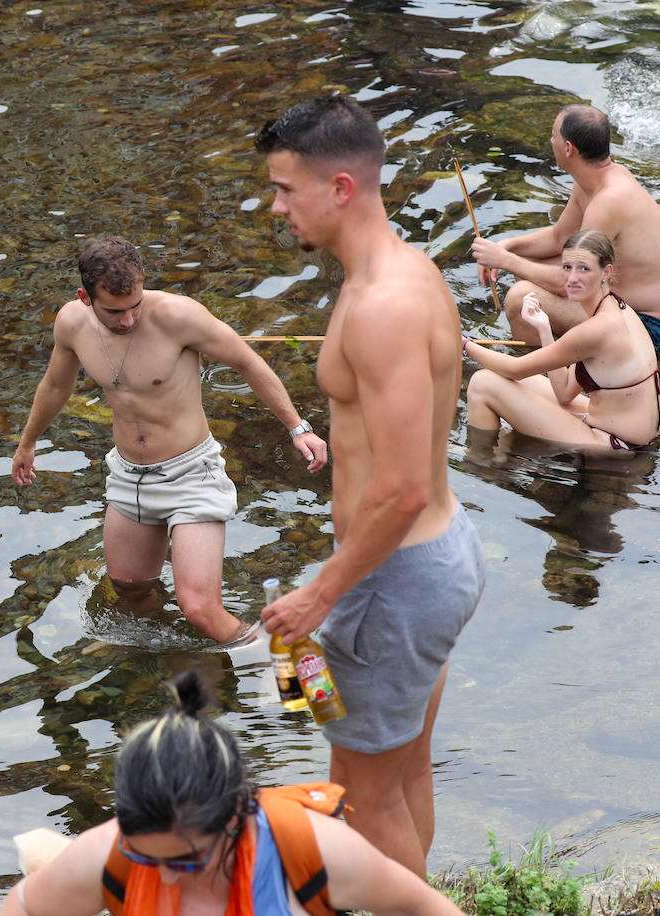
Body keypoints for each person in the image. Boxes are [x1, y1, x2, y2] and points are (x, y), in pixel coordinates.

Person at [255, 95, 485, 877]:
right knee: (402, 770)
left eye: (286, 189)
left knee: (359, 795)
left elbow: (402, 488)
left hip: (393, 580)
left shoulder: (382, 305)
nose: (276, 205)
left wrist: (321, 593)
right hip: (429, 565)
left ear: (341, 188)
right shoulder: (403, 270)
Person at [11, 236, 328, 645]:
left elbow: (247, 362)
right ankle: (178, 660)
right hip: (128, 476)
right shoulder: (72, 323)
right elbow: (56, 385)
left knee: (200, 610)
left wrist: (298, 428)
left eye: (134, 306)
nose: (127, 320)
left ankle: (278, 663)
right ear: (85, 298)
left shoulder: (179, 317)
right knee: (128, 586)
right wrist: (27, 443)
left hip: (191, 475)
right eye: (114, 311)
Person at [0, 671, 466, 916]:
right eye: (145, 859)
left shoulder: (309, 851)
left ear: (234, 816)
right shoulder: (109, 856)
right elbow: (23, 906)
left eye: (184, 860)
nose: (164, 880)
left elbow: (419, 907)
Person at [469, 103, 660, 349]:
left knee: (519, 298)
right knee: (530, 270)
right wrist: (506, 247)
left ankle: (539, 375)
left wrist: (506, 261)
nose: (551, 140)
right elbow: (559, 238)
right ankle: (565, 354)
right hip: (621, 302)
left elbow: (567, 281)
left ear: (568, 148)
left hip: (645, 325)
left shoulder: (608, 201)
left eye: (554, 136)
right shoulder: (597, 179)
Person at [465, 229, 660, 453]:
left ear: (606, 272)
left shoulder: (597, 329)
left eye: (584, 269)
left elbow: (516, 369)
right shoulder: (618, 308)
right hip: (622, 430)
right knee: (504, 379)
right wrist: (543, 328)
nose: (572, 278)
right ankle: (503, 452)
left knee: (482, 384)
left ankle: (483, 462)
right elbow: (564, 393)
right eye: (567, 268)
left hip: (615, 446)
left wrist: (462, 344)